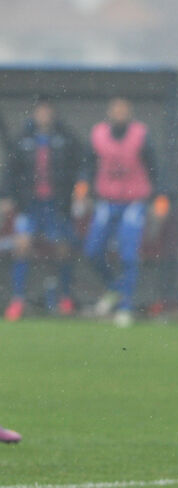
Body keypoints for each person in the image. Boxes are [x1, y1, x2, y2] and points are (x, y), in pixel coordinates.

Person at [83, 97, 168, 327]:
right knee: (92, 250)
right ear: (109, 113)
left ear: (130, 114)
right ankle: (115, 288)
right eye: (116, 111)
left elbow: (154, 166)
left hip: (134, 201)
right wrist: (83, 189)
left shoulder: (140, 135)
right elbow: (88, 165)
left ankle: (125, 306)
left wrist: (159, 198)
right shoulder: (98, 134)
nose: (119, 116)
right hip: (106, 200)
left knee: (129, 254)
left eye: (124, 112)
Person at [2, 97, 86, 321]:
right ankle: (18, 299)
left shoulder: (66, 139)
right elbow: (11, 171)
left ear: (53, 114)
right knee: (21, 246)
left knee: (63, 248)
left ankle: (65, 297)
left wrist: (80, 191)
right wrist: (7, 197)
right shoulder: (23, 140)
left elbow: (81, 165)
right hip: (29, 205)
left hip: (56, 205)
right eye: (41, 112)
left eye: (48, 112)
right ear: (35, 114)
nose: (44, 116)